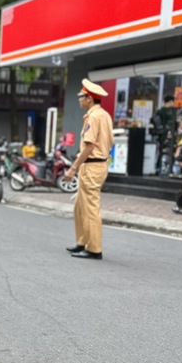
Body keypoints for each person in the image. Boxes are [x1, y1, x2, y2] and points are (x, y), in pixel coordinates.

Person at [63, 79, 114, 260]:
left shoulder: (93, 117)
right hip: (96, 164)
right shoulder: (104, 115)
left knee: (90, 207)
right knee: (80, 206)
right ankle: (82, 242)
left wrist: (73, 168)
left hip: (92, 165)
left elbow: (89, 146)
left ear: (89, 98)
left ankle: (94, 249)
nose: (79, 99)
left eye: (81, 96)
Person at [153, 95, 175, 174]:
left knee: (161, 153)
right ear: (170, 102)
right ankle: (169, 170)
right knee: (169, 152)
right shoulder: (169, 112)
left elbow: (155, 122)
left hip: (161, 135)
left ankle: (158, 169)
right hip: (166, 135)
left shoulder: (160, 111)